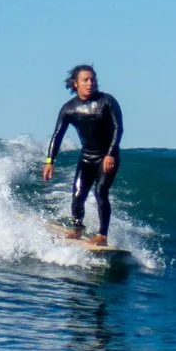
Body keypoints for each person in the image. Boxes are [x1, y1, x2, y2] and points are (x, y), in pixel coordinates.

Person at [41, 65, 124, 242]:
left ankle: (102, 235)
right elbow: (57, 135)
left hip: (108, 156)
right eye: (85, 80)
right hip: (87, 157)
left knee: (101, 191)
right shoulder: (69, 109)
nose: (90, 83)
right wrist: (50, 161)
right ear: (75, 84)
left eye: (92, 79)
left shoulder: (107, 101)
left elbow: (118, 128)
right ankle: (77, 229)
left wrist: (110, 154)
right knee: (78, 194)